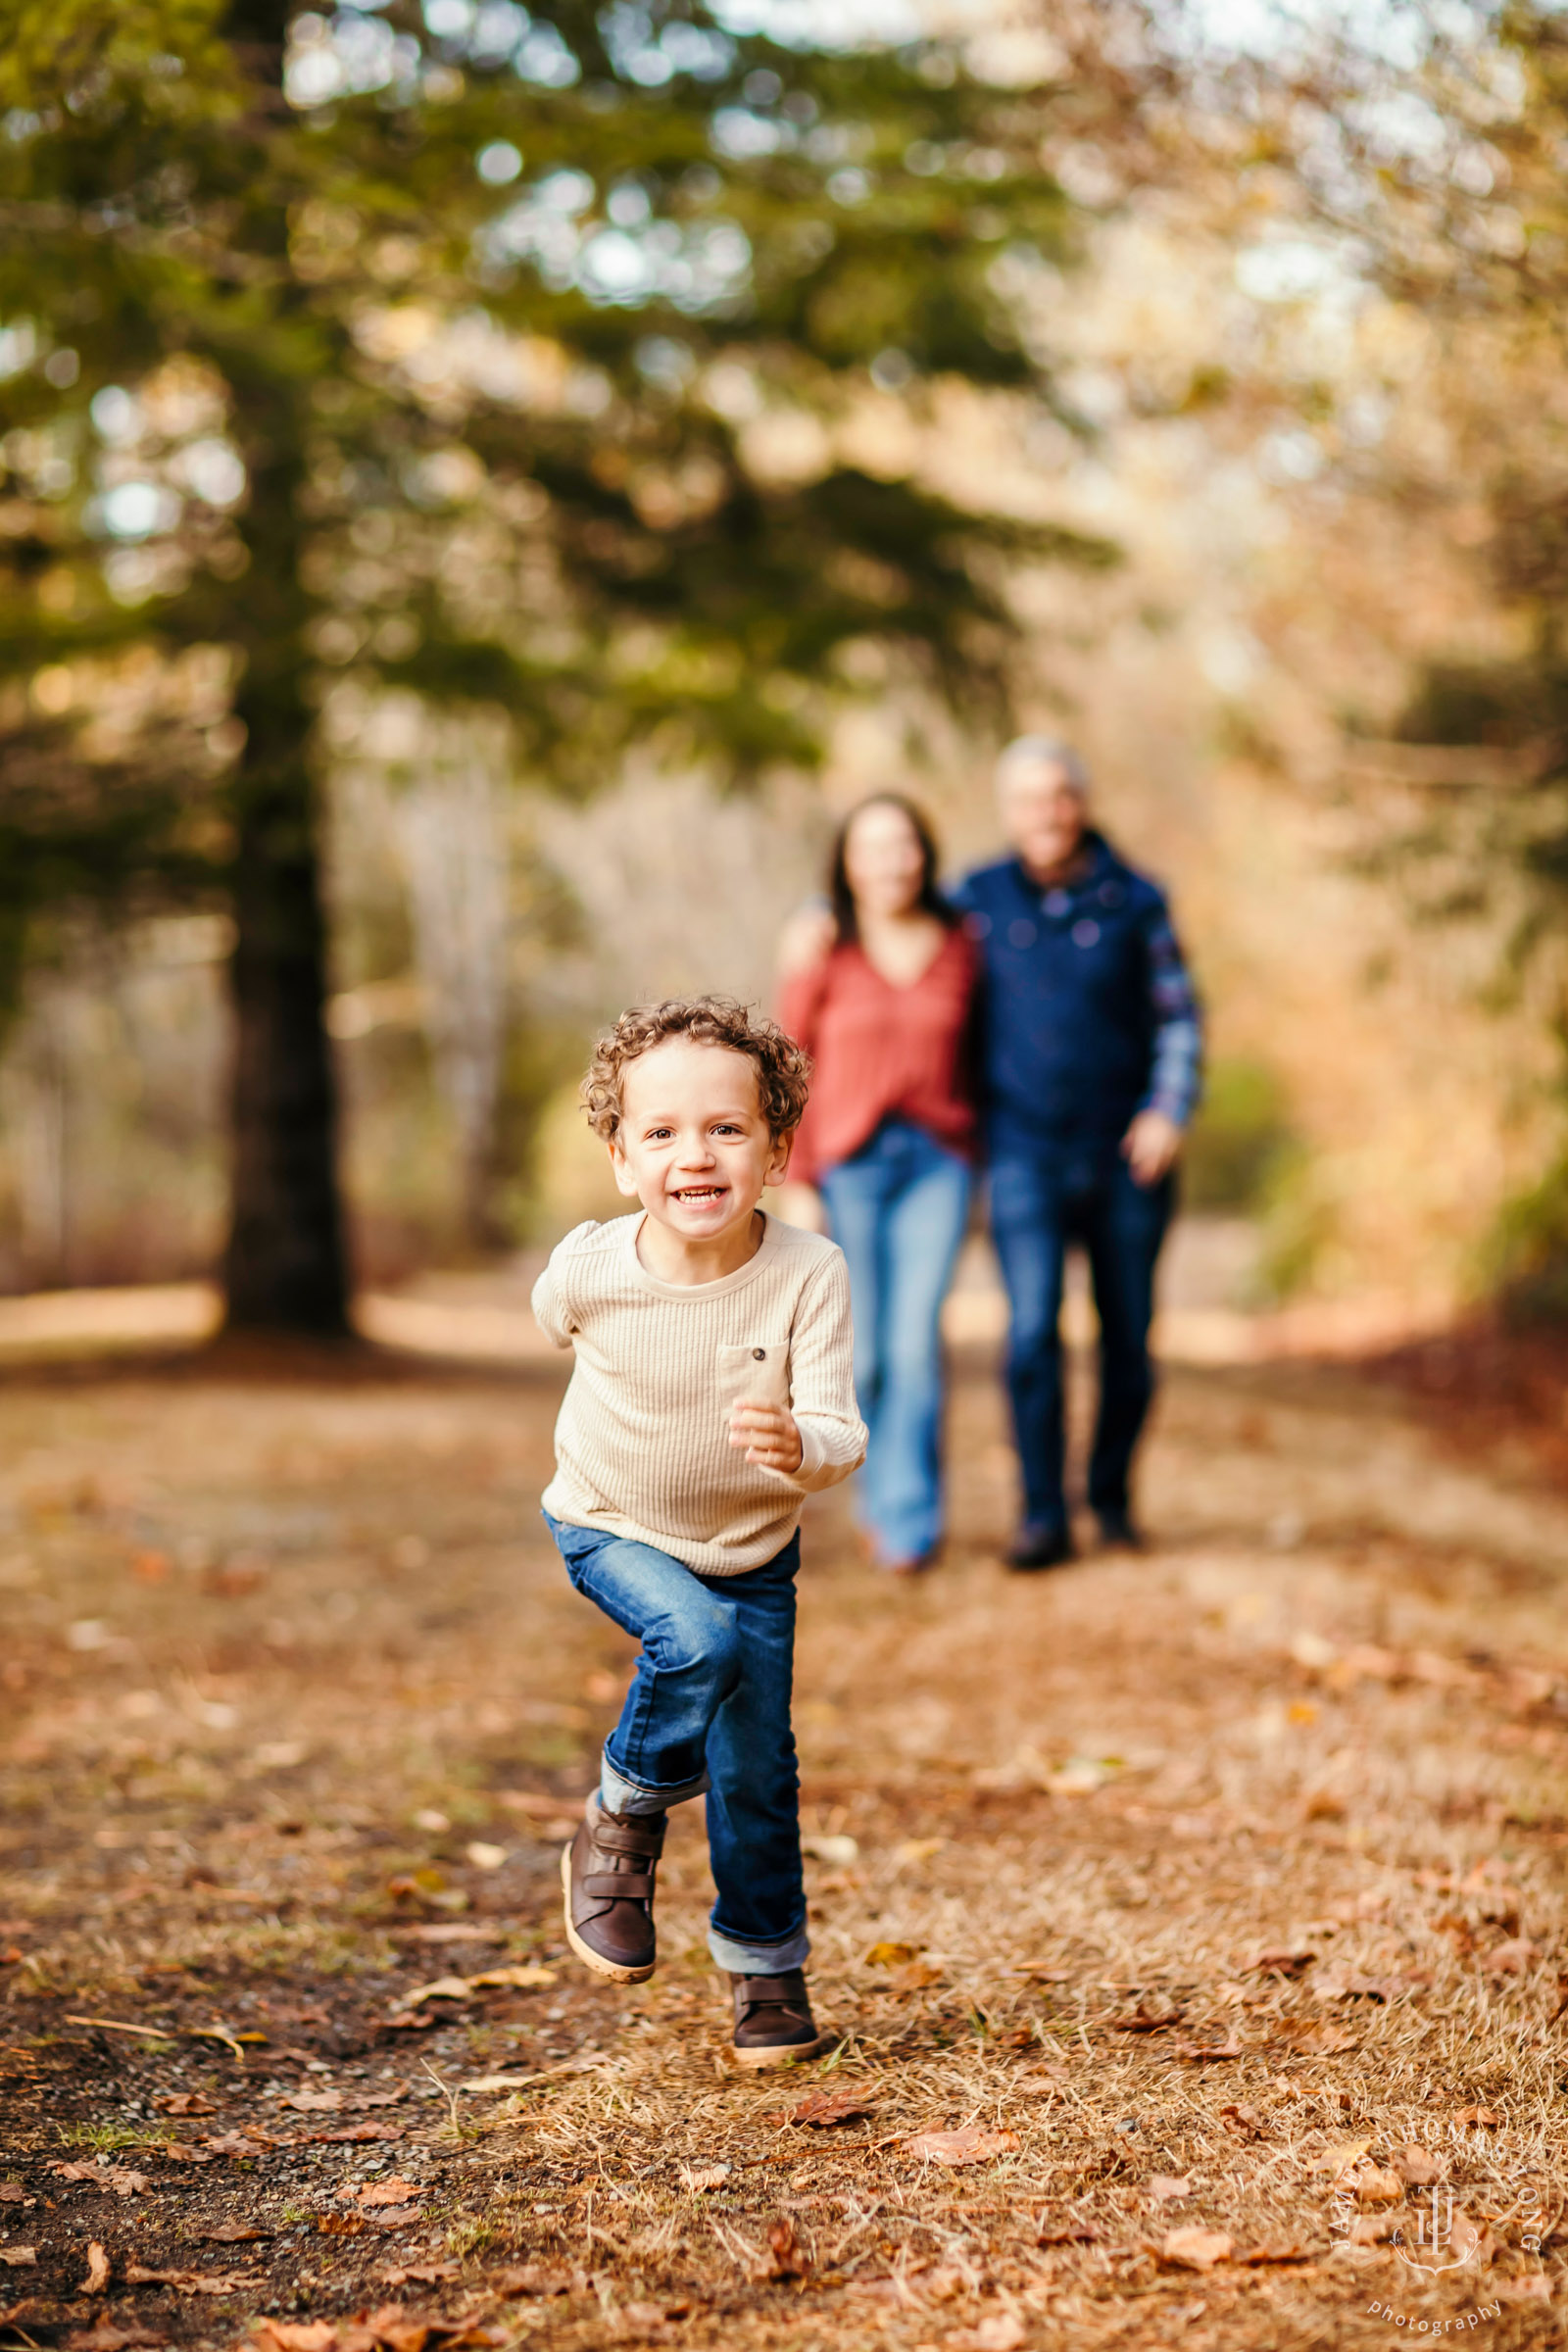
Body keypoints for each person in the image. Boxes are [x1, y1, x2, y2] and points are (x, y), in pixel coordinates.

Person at [531, 995, 866, 2067]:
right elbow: (552, 1314)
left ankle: (766, 1973)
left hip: (752, 1552)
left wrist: (794, 1445)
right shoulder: (592, 1266)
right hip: (609, 1521)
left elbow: (839, 1432)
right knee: (695, 1642)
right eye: (662, 1132)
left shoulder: (807, 1274)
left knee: (756, 1766)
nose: (695, 1154)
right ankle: (621, 1818)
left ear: (774, 1151)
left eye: (727, 1128)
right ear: (622, 1156)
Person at [953, 739, 1202, 1569]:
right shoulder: (975, 901)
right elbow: (897, 941)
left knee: (1127, 1339)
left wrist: (1168, 1109)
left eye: (1059, 796)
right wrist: (823, 917)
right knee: (1030, 1336)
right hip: (1020, 1148)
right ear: (1008, 811)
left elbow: (1178, 1018)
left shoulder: (1136, 899)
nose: (1046, 813)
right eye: (1029, 799)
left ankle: (1111, 1496)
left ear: (1081, 803)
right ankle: (1042, 1514)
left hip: (1129, 1154)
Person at [777, 795, 979, 1575]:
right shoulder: (824, 945)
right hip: (849, 1164)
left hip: (937, 1161)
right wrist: (798, 1174)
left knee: (917, 1341)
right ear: (847, 863)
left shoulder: (964, 944)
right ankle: (874, 1496)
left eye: (904, 846)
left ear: (924, 855)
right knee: (864, 1358)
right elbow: (788, 1065)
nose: (891, 862)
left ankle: (910, 1522)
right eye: (872, 848)